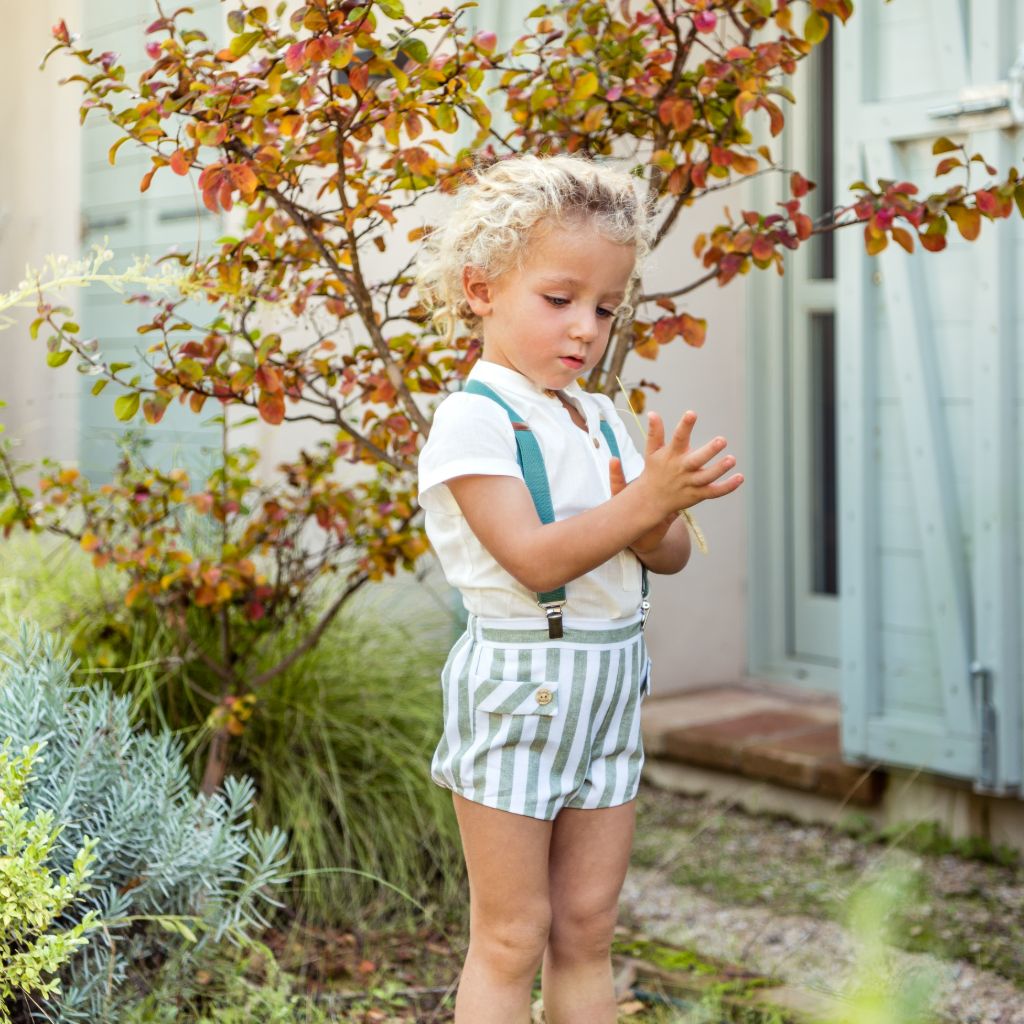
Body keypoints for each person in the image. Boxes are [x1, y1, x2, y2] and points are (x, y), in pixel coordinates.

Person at [415, 154, 743, 1024]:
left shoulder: (598, 418)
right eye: (559, 301)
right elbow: (533, 559)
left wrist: (664, 502)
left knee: (589, 927)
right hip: (521, 691)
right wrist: (641, 498)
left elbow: (662, 556)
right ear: (482, 289)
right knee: (513, 934)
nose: (585, 329)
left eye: (604, 308)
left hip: (607, 691)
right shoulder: (473, 421)